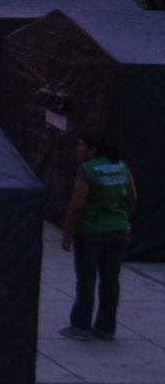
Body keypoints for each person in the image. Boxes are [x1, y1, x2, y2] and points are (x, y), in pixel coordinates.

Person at [60, 135, 137, 342]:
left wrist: (67, 233)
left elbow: (76, 205)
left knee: (86, 280)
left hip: (91, 231)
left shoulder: (87, 170)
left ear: (92, 150)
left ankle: (81, 326)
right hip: (119, 230)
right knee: (111, 280)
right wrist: (119, 219)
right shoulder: (121, 166)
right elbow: (132, 198)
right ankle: (106, 327)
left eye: (81, 145)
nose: (78, 149)